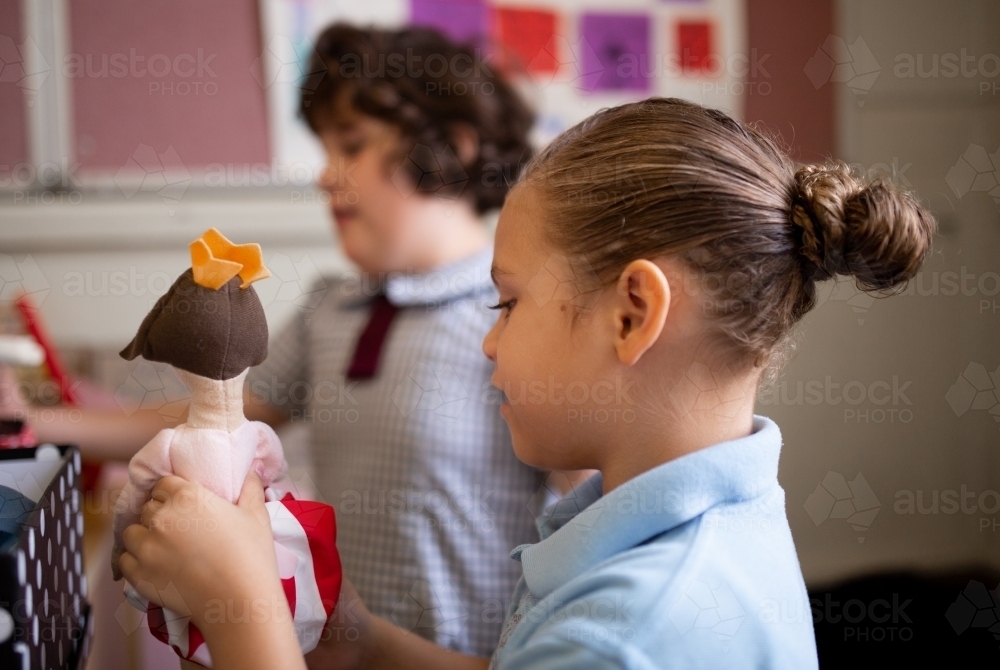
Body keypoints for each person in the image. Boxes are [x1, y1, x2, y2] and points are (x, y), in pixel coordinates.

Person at [113, 97, 939, 668]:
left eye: (508, 304)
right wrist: (368, 645)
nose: (487, 343)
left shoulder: (628, 637)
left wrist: (241, 611)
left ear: (632, 314)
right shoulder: (702, 522)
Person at [10, 23, 548, 657]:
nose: (325, 175)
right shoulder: (331, 307)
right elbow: (206, 417)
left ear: (452, 150)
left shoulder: (514, 317)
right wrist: (37, 422)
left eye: (350, 145)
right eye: (323, 149)